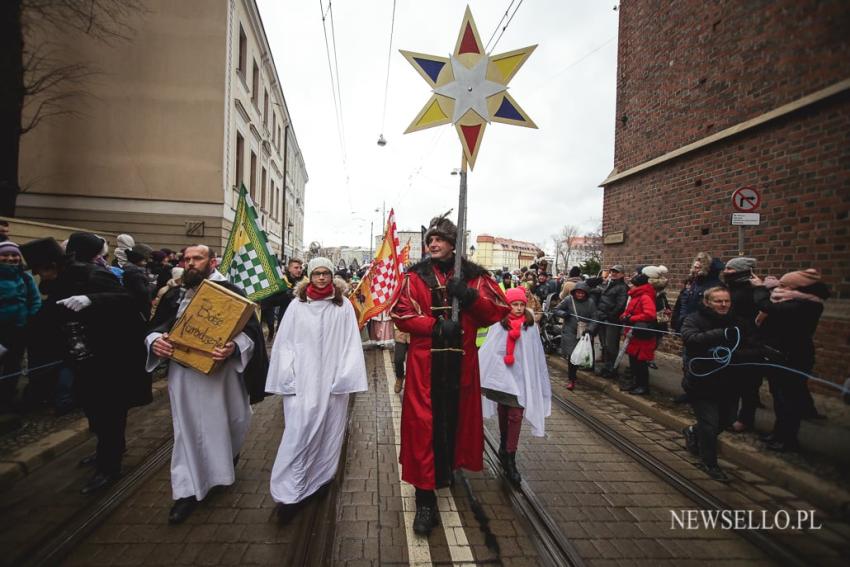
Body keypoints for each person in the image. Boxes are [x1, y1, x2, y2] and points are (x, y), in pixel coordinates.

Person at [391, 213, 509, 536]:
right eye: (430, 240)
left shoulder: (473, 278)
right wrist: (435, 326)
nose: (433, 244)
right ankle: (424, 499)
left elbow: (497, 311)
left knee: (452, 424)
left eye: (439, 239)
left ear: (453, 245)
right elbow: (401, 314)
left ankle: (444, 470)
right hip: (423, 369)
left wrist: (469, 297)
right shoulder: (414, 278)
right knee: (422, 431)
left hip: (461, 369)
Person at [146, 244, 269, 524]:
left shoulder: (233, 293)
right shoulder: (175, 294)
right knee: (187, 431)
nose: (190, 263)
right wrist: (155, 342)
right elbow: (155, 327)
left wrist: (233, 348)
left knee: (233, 421)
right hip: (185, 376)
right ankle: (187, 491)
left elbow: (250, 335)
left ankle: (224, 465)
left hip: (222, 377)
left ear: (212, 262)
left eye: (197, 258)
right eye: (186, 258)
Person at [22, 233, 151, 493]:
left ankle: (108, 467)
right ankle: (107, 450)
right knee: (93, 408)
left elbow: (129, 301)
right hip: (83, 358)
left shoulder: (91, 275)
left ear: (52, 266)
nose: (39, 276)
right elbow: (46, 319)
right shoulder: (58, 282)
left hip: (112, 358)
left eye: (40, 271)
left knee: (110, 411)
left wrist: (92, 300)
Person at [266, 257, 368, 523]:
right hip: (302, 382)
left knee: (328, 432)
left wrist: (344, 377)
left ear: (332, 276)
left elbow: (350, 343)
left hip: (332, 384)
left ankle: (320, 478)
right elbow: (285, 343)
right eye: (317, 273)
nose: (321, 278)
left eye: (326, 273)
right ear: (309, 277)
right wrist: (287, 375)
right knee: (298, 434)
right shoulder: (297, 306)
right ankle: (290, 491)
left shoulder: (343, 305)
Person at [681, 286, 763, 482]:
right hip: (702, 381)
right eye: (719, 301)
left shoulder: (740, 322)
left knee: (726, 420)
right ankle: (709, 463)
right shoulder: (694, 319)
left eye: (727, 301)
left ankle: (693, 431)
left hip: (731, 382)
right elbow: (691, 339)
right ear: (707, 302)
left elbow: (756, 348)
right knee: (709, 424)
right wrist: (721, 334)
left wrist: (733, 355)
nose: (724, 305)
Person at [479, 287, 551, 485]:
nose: (519, 309)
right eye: (515, 305)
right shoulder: (499, 324)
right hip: (503, 378)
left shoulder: (530, 327)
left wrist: (532, 376)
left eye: (521, 305)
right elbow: (491, 349)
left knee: (516, 414)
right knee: (504, 410)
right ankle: (504, 443)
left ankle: (510, 455)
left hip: (520, 378)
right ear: (508, 305)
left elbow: (534, 354)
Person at [752, 269, 829, 452]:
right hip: (778, 355)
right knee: (779, 399)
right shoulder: (791, 300)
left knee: (789, 401)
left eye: (784, 285)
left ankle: (787, 439)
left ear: (798, 287)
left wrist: (761, 288)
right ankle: (778, 433)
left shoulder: (807, 305)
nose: (779, 287)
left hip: (793, 357)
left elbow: (766, 306)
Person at [721, 257, 762, 432]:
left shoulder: (752, 290)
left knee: (748, 385)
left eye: (730, 269)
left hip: (749, 342)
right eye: (726, 268)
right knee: (731, 382)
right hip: (732, 340)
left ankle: (745, 419)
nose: (726, 272)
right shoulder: (730, 289)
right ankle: (730, 416)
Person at [0, 241, 42, 411]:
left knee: (13, 365)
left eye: (14, 254)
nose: (11, 258)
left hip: (19, 330)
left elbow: (35, 300)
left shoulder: (25, 277)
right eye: (6, 254)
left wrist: (31, 320)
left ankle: (6, 398)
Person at [553, 281, 598, 391]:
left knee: (581, 355)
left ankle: (574, 375)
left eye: (582, 293)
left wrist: (590, 329)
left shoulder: (591, 303)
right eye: (578, 292)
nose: (580, 295)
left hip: (583, 332)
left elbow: (594, 319)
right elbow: (556, 309)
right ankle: (571, 379)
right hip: (570, 331)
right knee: (572, 356)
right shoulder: (569, 300)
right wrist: (563, 314)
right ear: (574, 292)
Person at [619, 271, 657, 395]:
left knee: (641, 362)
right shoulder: (636, 296)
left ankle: (643, 386)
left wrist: (631, 319)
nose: (630, 286)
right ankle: (635, 383)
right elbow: (630, 311)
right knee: (633, 361)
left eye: (633, 284)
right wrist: (624, 316)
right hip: (634, 334)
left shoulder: (645, 296)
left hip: (642, 334)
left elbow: (650, 314)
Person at [595, 265, 629, 378]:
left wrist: (611, 315)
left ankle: (611, 369)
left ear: (622, 274)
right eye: (612, 271)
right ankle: (606, 366)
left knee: (611, 346)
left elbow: (621, 304)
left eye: (617, 272)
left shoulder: (622, 287)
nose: (614, 273)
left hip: (612, 320)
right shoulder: (609, 284)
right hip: (603, 317)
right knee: (604, 343)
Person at [122, 244, 154, 321]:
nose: (147, 261)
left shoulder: (131, 269)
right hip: (139, 308)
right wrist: (151, 285)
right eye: (145, 259)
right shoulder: (135, 272)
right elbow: (143, 291)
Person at [393, 324, 410, 393]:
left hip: (415, 332)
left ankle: (411, 383)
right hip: (401, 331)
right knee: (398, 359)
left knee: (412, 362)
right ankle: (399, 377)